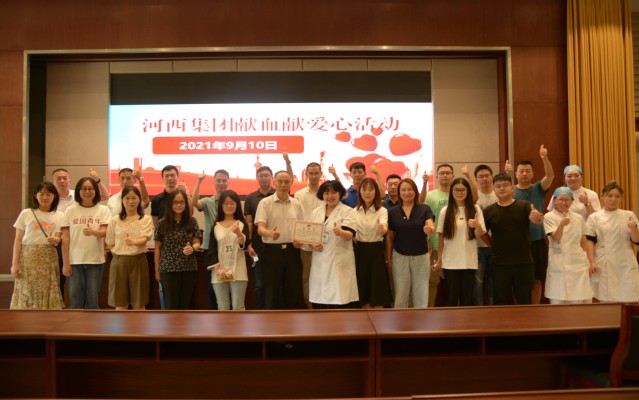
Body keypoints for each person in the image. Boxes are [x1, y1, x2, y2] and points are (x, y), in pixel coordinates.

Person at [482, 173, 544, 305]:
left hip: (523, 262)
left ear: (512, 188)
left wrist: (537, 217)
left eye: (505, 185)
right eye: (498, 186)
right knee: (501, 301)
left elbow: (537, 219)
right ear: (494, 189)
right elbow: (482, 232)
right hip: (499, 264)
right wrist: (492, 245)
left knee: (524, 301)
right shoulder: (489, 211)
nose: (501, 188)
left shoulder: (524, 205)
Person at [506, 145, 554, 304]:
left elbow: (550, 176)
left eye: (528, 171)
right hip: (517, 242)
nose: (525, 174)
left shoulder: (538, 188)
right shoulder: (511, 190)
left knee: (537, 278)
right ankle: (518, 310)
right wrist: (506, 175)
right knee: (516, 278)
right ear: (516, 174)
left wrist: (544, 158)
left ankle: (535, 309)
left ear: (533, 173)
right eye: (521, 171)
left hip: (537, 241)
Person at [52, 167, 108, 296]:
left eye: (65, 178)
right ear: (53, 181)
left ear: (70, 180)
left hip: (90, 254)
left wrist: (97, 180)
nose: (62, 181)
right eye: (58, 179)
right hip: (63, 248)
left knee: (92, 297)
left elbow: (105, 196)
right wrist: (66, 263)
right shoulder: (51, 198)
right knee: (63, 288)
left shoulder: (82, 197)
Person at [255, 170, 305, 309]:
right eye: (280, 182)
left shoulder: (296, 204)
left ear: (291, 183)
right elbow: (260, 229)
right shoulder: (265, 203)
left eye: (286, 182)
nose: (283, 185)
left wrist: (300, 240)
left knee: (293, 291)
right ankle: (272, 322)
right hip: (272, 253)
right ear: (274, 183)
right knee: (272, 292)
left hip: (292, 252)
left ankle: (292, 321)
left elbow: (301, 228)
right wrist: (269, 233)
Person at [10, 181, 65, 309]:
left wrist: (55, 239)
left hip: (49, 258)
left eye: (49, 194)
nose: (45, 197)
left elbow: (58, 236)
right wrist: (15, 263)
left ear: (55, 196)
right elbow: (18, 240)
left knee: (48, 287)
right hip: (28, 257)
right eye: (41, 194)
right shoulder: (26, 213)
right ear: (35, 195)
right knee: (27, 287)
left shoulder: (60, 215)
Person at [61, 177, 111, 309]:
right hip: (74, 261)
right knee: (75, 302)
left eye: (90, 188)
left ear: (95, 191)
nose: (87, 192)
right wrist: (66, 263)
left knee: (92, 302)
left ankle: (92, 323)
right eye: (84, 189)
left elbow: (105, 231)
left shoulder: (103, 210)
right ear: (78, 191)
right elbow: (65, 239)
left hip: (96, 260)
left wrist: (94, 232)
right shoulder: (70, 210)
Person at [434, 177, 486, 307]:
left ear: (468, 191)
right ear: (451, 191)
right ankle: (452, 320)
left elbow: (481, 234)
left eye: (462, 190)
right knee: (452, 296)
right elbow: (441, 236)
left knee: (467, 297)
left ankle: (465, 320)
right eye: (456, 190)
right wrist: (439, 259)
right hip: (450, 261)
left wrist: (477, 226)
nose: (459, 192)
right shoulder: (445, 211)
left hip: (469, 260)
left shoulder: (475, 209)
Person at [308, 180, 359, 308]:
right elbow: (310, 236)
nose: (329, 196)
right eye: (326, 193)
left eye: (333, 192)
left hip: (339, 260)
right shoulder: (316, 212)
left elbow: (350, 235)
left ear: (340, 193)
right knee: (320, 298)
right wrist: (312, 244)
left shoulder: (347, 211)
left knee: (339, 297)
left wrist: (340, 232)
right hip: (320, 259)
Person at [585, 181, 639, 302]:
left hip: (625, 261)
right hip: (603, 260)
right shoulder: (594, 217)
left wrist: (633, 228)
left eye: (617, 196)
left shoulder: (628, 215)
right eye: (610, 196)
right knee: (605, 297)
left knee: (628, 295)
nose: (613, 199)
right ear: (602, 196)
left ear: (621, 198)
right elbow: (590, 241)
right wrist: (591, 261)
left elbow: (637, 240)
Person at [387, 178, 435, 308]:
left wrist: (429, 229)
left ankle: (421, 319)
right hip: (399, 256)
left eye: (410, 189)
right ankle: (400, 319)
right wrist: (388, 259)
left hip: (421, 256)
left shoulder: (424, 209)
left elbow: (430, 224)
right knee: (401, 294)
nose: (407, 192)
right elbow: (390, 237)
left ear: (415, 191)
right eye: (403, 190)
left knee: (421, 293)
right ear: (399, 193)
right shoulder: (393, 211)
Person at [105, 186, 154, 310]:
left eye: (134, 198)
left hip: (138, 261)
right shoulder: (114, 220)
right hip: (119, 262)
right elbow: (110, 242)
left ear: (139, 200)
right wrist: (120, 253)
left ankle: (138, 324)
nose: (130, 201)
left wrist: (134, 242)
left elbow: (145, 238)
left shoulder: (145, 219)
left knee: (139, 302)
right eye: (127, 198)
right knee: (120, 303)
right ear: (122, 200)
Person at [543, 187, 594, 304]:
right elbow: (556, 237)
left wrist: (589, 261)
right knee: (559, 298)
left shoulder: (578, 218)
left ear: (572, 201)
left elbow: (583, 241)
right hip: (559, 261)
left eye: (567, 200)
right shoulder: (549, 217)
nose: (564, 203)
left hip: (578, 262)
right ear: (555, 200)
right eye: (561, 199)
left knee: (580, 298)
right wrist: (561, 225)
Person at [153, 189, 202, 310]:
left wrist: (192, 248)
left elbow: (197, 242)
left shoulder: (192, 221)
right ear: (170, 204)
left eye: (182, 202)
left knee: (185, 306)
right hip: (168, 270)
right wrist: (157, 270)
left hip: (188, 269)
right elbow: (157, 248)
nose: (179, 205)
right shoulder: (161, 223)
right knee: (171, 306)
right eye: (175, 202)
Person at [192, 169, 231, 310]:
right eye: (218, 180)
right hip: (210, 248)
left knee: (228, 282)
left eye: (224, 180)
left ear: (228, 182)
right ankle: (213, 315)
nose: (221, 183)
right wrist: (199, 181)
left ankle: (227, 314)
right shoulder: (208, 202)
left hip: (228, 248)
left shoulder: (231, 201)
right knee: (212, 284)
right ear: (213, 182)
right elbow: (194, 202)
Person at [206, 190, 250, 310]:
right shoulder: (216, 226)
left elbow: (245, 244)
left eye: (232, 203)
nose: (229, 206)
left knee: (238, 307)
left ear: (237, 205)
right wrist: (218, 269)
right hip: (220, 272)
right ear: (221, 205)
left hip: (238, 272)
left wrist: (239, 233)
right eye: (226, 203)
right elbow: (212, 250)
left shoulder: (242, 224)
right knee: (222, 307)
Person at [355, 177, 392, 308]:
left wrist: (383, 228)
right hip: (359, 252)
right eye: (364, 189)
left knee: (377, 290)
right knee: (362, 288)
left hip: (376, 252)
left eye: (371, 189)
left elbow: (384, 227)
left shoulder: (382, 210)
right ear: (359, 191)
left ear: (376, 191)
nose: (367, 192)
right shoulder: (354, 211)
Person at [244, 166, 275, 310]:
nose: (264, 178)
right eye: (261, 175)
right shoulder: (250, 198)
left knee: (276, 282)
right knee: (259, 283)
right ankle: (260, 311)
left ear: (272, 177)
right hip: (257, 246)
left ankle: (276, 311)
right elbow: (249, 223)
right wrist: (249, 244)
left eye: (267, 175)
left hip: (275, 245)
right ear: (257, 178)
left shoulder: (278, 195)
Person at [294, 162, 323, 308]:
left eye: (316, 173)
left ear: (321, 174)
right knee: (307, 277)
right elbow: (297, 218)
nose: (314, 176)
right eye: (311, 173)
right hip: (305, 245)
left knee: (323, 276)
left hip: (324, 243)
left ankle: (323, 306)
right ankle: (310, 307)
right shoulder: (299, 194)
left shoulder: (326, 193)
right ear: (306, 174)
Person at [473, 164, 498, 305]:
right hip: (477, 245)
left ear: (492, 177)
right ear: (476, 179)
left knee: (493, 281)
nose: (484, 179)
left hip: (495, 245)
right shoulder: (474, 197)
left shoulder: (498, 195)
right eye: (481, 176)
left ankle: (493, 309)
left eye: (487, 176)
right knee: (477, 281)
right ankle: (478, 309)